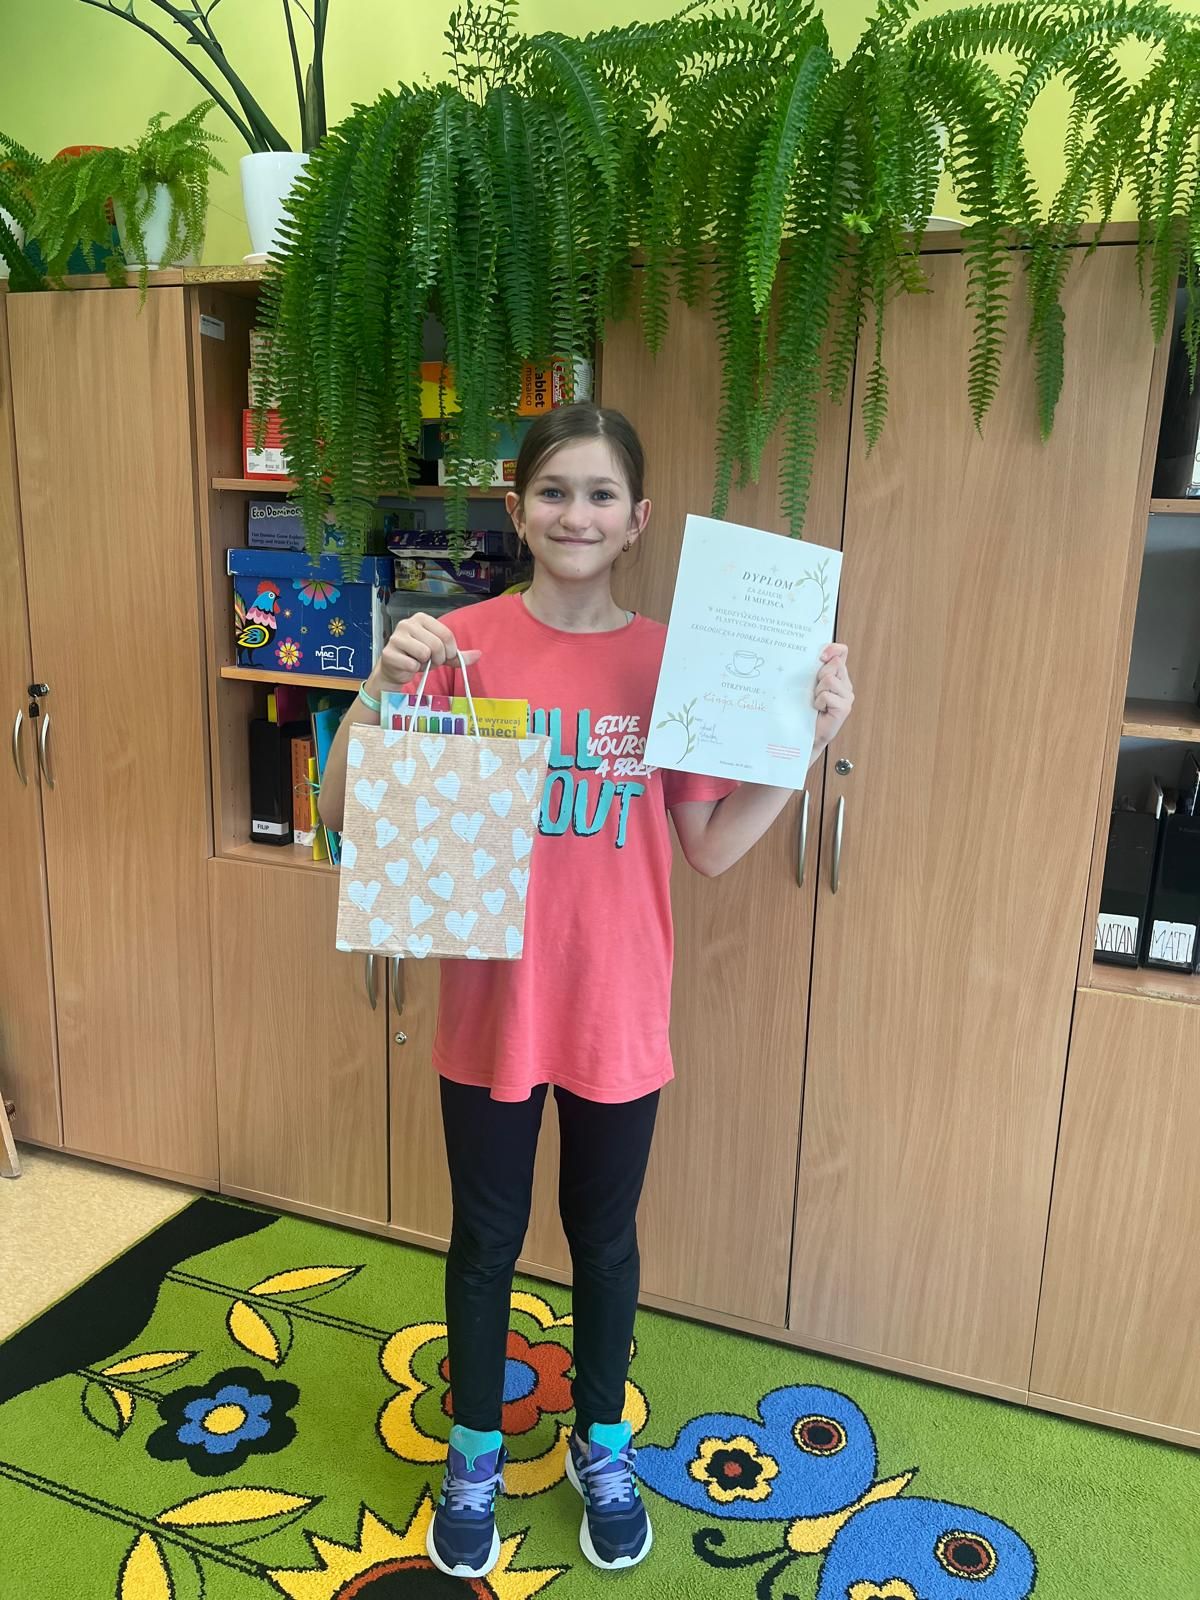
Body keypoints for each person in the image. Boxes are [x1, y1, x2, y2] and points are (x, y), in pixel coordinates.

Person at [319, 403, 854, 1580]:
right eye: (554, 490)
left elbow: (709, 846)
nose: (577, 513)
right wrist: (371, 693)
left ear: (637, 518)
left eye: (601, 493)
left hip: (617, 1008)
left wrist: (805, 745)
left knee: (605, 1242)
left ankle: (600, 1441)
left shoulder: (672, 663)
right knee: (485, 1240)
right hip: (491, 1012)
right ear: (518, 510)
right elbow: (343, 813)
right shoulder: (454, 646)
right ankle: (472, 1449)